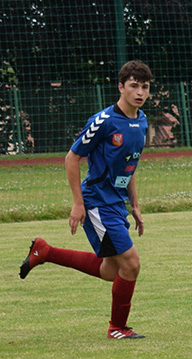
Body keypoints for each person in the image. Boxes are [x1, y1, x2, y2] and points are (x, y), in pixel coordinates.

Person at [19, 60, 153, 340]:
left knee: (111, 270)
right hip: (97, 202)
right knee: (131, 263)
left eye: (145, 87)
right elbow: (72, 158)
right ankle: (117, 328)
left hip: (116, 203)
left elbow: (130, 164)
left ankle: (45, 252)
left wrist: (135, 205)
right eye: (134, 86)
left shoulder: (141, 121)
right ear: (121, 87)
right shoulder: (103, 121)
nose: (140, 92)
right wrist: (78, 203)